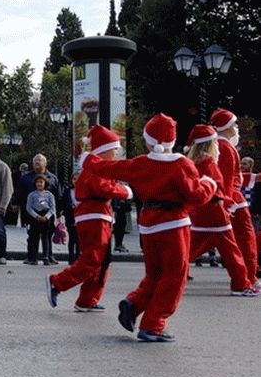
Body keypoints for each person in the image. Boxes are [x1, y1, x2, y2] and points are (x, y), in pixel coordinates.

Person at [81, 113, 217, 342]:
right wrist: (209, 183)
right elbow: (196, 195)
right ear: (173, 140)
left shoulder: (141, 163)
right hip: (174, 223)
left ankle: (134, 304)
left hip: (148, 224)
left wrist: (88, 160)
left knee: (154, 274)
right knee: (174, 275)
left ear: (148, 140)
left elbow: (111, 168)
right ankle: (153, 323)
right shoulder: (181, 164)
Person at [46, 126, 132, 311]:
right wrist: (125, 192)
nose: (117, 153)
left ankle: (87, 299)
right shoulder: (96, 168)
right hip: (95, 216)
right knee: (94, 258)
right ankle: (58, 282)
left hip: (97, 215)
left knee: (102, 260)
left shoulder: (96, 166)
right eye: (114, 149)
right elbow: (102, 189)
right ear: (104, 150)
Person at [184, 124, 257, 296]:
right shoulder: (209, 163)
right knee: (232, 251)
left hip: (201, 211)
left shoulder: (192, 162)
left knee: (189, 248)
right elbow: (218, 187)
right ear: (211, 144)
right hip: (216, 211)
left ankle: (164, 274)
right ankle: (241, 284)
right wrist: (228, 202)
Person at [210, 108, 259, 288]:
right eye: (234, 124)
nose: (237, 128)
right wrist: (228, 204)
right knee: (246, 240)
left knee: (233, 242)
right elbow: (227, 180)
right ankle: (248, 278)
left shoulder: (223, 147)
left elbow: (232, 177)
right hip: (233, 202)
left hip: (230, 201)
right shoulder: (225, 148)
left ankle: (245, 278)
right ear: (228, 127)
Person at [11, 154, 59, 264]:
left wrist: (59, 211)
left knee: (47, 235)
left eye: (40, 160)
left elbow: (57, 195)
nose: (37, 162)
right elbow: (19, 192)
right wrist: (15, 203)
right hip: (31, 212)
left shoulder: (52, 178)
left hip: (48, 213)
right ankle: (31, 257)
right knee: (32, 235)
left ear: (45, 163)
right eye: (35, 161)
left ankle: (48, 256)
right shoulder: (26, 178)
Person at [26, 174, 57, 265]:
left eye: (41, 182)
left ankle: (46, 256)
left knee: (46, 237)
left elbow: (52, 208)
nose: (39, 184)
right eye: (37, 182)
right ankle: (34, 258)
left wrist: (47, 216)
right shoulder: (32, 195)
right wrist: (36, 216)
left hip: (46, 216)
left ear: (45, 183)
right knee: (34, 237)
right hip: (35, 216)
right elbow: (29, 208)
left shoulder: (49, 195)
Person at [60, 170, 80, 264]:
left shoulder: (86, 191)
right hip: (71, 217)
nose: (76, 181)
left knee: (79, 240)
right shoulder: (68, 191)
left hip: (81, 217)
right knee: (72, 238)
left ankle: (78, 258)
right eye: (74, 179)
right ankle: (71, 259)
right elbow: (63, 203)